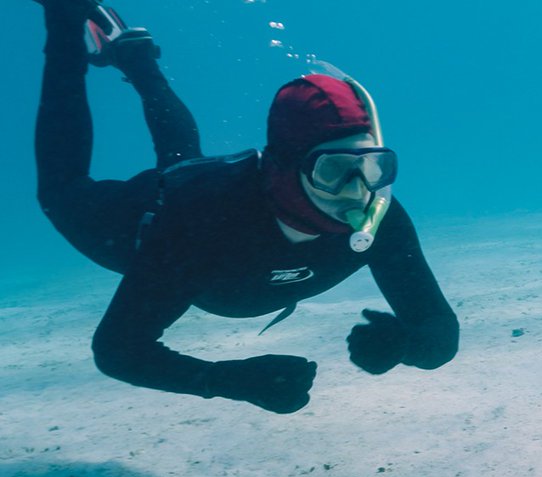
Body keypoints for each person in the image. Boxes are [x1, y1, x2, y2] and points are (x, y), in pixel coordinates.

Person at [34, 1, 459, 414]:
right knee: (62, 190)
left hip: (204, 191)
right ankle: (64, 17)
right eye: (331, 171)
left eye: (371, 165)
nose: (356, 190)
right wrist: (228, 380)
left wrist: (407, 345)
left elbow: (440, 335)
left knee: (182, 157)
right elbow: (117, 351)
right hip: (143, 220)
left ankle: (138, 61)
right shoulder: (202, 226)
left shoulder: (380, 217)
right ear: (281, 168)